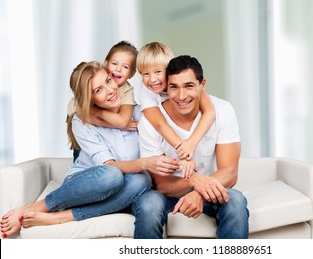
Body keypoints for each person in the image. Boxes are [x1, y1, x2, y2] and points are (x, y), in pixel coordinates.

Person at [0, 62, 179, 239]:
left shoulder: (141, 113)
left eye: (108, 81)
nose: (110, 90)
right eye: (98, 90)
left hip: (129, 190)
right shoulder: (82, 121)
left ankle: (61, 217)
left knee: (145, 187)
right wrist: (144, 163)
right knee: (112, 175)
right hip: (89, 186)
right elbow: (110, 166)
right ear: (89, 98)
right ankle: (37, 207)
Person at [137, 55, 249, 238]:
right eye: (174, 87)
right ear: (166, 86)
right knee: (149, 203)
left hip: (208, 190)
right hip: (167, 194)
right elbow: (161, 184)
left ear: (202, 84)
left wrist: (199, 193)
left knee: (235, 200)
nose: (181, 96)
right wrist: (193, 180)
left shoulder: (222, 110)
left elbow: (230, 172)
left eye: (189, 86)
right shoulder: (150, 121)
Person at [136, 42, 216, 179]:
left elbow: (210, 112)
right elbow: (160, 124)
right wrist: (185, 154)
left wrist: (191, 143)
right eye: (145, 74)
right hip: (158, 144)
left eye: (158, 72)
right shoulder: (146, 93)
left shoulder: (185, 83)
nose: (152, 80)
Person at [67, 41, 139, 161]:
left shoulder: (126, 90)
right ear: (105, 64)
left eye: (125, 67)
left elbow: (122, 122)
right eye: (114, 63)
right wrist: (97, 114)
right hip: (84, 134)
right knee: (82, 155)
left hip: (110, 141)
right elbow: (79, 116)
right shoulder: (84, 94)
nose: (118, 69)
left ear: (131, 74)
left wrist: (97, 112)